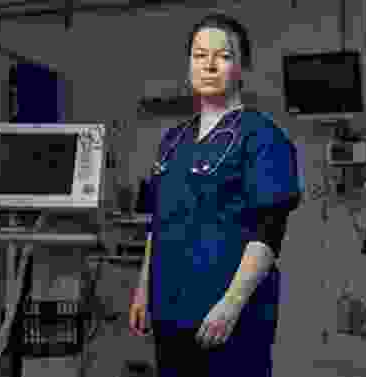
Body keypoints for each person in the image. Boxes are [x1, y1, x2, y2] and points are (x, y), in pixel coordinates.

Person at [129, 12, 302, 377]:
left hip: (228, 318)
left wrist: (232, 303)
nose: (208, 65)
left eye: (223, 56)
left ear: (242, 67)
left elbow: (269, 230)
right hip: (169, 313)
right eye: (198, 55)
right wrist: (144, 289)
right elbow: (157, 225)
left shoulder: (261, 136)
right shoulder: (172, 141)